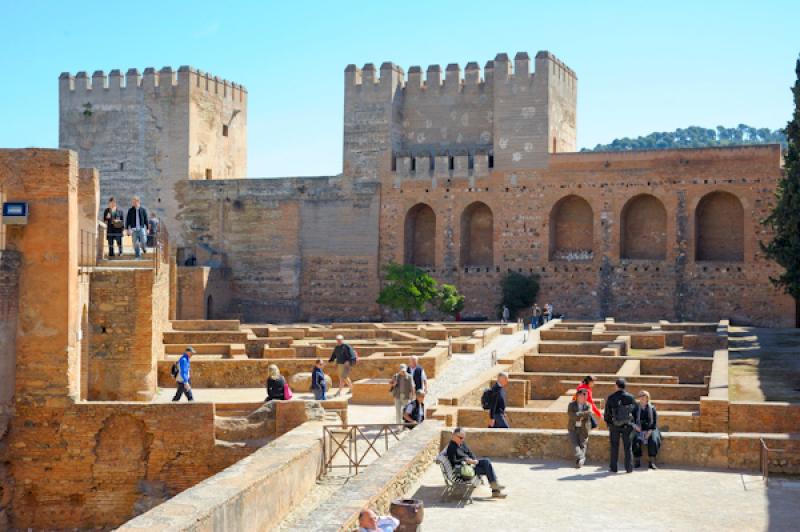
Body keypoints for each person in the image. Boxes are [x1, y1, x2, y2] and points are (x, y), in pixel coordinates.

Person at [446, 427, 506, 498]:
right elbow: (453, 462)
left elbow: (470, 452)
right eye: (460, 438)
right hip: (462, 471)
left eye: (463, 438)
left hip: (470, 465)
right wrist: (465, 460)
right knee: (487, 467)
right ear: (454, 436)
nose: (462, 439)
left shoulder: (461, 443)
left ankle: (495, 488)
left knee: (486, 462)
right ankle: (495, 489)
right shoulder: (451, 447)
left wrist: (473, 460)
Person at [603, 378, 637, 473]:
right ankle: (629, 468)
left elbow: (607, 413)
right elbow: (635, 411)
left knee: (614, 446)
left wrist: (609, 424)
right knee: (628, 447)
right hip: (627, 425)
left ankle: (613, 468)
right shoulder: (631, 397)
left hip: (614, 426)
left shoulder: (611, 397)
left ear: (617, 386)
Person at [633, 390, 661, 470]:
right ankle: (637, 460)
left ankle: (651, 461)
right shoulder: (636, 408)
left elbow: (654, 422)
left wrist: (649, 432)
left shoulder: (652, 408)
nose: (641, 398)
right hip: (639, 428)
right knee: (636, 439)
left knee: (653, 440)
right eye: (640, 396)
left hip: (651, 429)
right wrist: (635, 427)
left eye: (643, 396)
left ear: (647, 398)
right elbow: (631, 420)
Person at [568, 388, 593, 468]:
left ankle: (580, 461)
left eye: (585, 396)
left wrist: (578, 414)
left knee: (583, 444)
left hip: (584, 428)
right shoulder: (571, 404)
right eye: (583, 395)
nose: (585, 397)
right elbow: (571, 415)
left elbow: (589, 414)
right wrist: (582, 415)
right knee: (574, 443)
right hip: (573, 427)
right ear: (578, 396)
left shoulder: (588, 405)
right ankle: (581, 457)